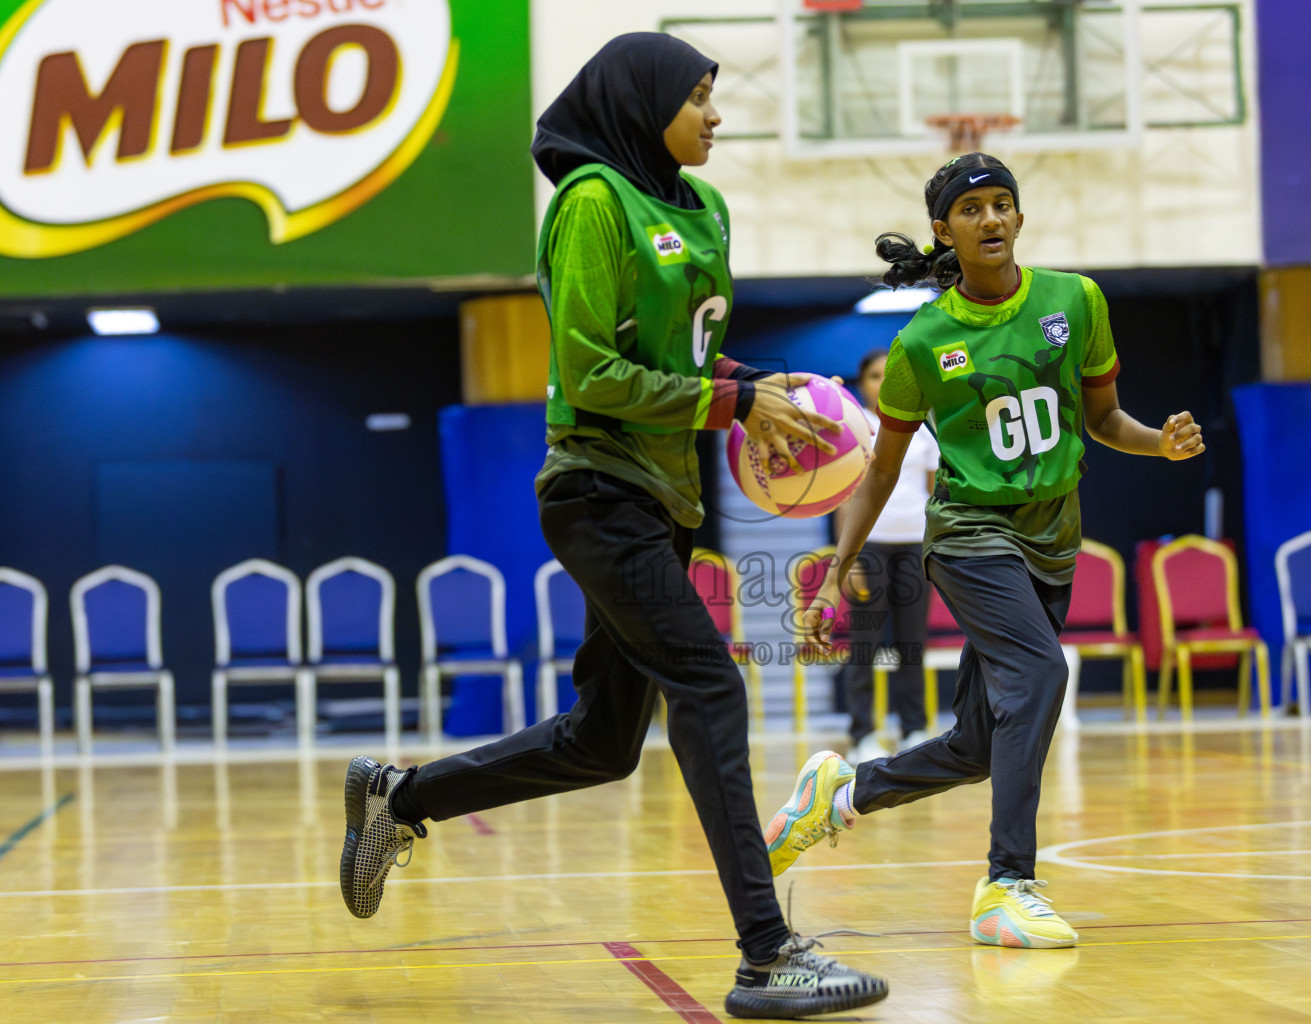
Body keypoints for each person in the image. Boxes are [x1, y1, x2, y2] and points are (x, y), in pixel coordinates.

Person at [337, 33, 887, 1018]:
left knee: (601, 742)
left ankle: (398, 795)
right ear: (643, 103)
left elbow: (686, 357)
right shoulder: (591, 203)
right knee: (713, 688)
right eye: (700, 98)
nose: (716, 115)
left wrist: (761, 388)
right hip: (596, 491)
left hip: (666, 500)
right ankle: (768, 953)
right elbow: (590, 370)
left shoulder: (706, 208)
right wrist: (734, 403)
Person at [763, 152, 1204, 949]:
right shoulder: (923, 342)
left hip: (1052, 541)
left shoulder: (1076, 299)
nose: (992, 219)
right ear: (945, 230)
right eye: (973, 210)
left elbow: (1104, 421)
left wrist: (1160, 446)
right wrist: (834, 568)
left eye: (1004, 204)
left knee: (976, 745)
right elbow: (882, 468)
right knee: (1039, 674)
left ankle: (838, 797)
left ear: (1020, 218)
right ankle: (1008, 884)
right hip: (969, 537)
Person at [835, 348, 940, 765]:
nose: (881, 382)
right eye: (874, 375)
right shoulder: (852, 429)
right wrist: (847, 557)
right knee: (865, 642)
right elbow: (843, 496)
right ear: (862, 382)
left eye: (888, 375)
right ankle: (863, 732)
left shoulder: (922, 429)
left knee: (912, 644)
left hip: (915, 545)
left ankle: (914, 728)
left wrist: (936, 549)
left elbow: (932, 493)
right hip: (869, 548)